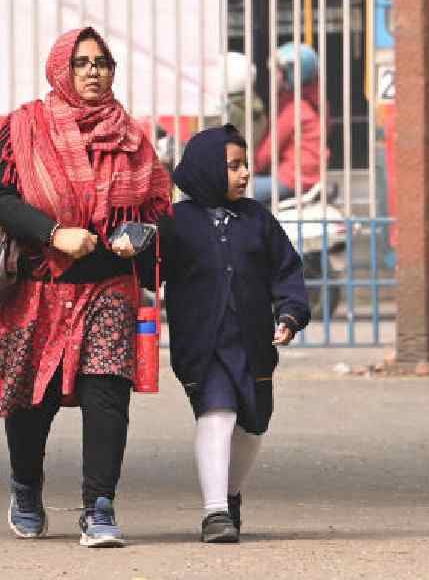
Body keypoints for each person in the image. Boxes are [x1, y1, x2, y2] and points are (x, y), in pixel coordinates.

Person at [0, 27, 172, 548]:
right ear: (61, 68)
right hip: (39, 286)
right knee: (28, 400)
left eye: (103, 62)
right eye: (82, 62)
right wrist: (53, 233)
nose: (93, 71)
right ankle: (25, 487)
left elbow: (157, 205)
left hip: (108, 285)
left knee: (107, 392)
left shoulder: (130, 135)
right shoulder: (23, 127)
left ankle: (99, 506)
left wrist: (137, 238)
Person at [157, 124, 310, 543]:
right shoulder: (175, 222)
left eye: (246, 165)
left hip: (253, 345)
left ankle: (229, 492)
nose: (245, 174)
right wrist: (132, 247)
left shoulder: (257, 219)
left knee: (253, 425)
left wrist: (291, 314)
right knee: (217, 413)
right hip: (201, 345)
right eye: (234, 166)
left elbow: (286, 271)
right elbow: (148, 272)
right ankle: (215, 513)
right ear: (207, 169)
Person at [254, 43, 330, 205]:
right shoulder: (313, 102)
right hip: (304, 177)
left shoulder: (294, 108)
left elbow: (266, 154)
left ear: (294, 74)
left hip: (291, 179)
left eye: (278, 72)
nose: (273, 77)